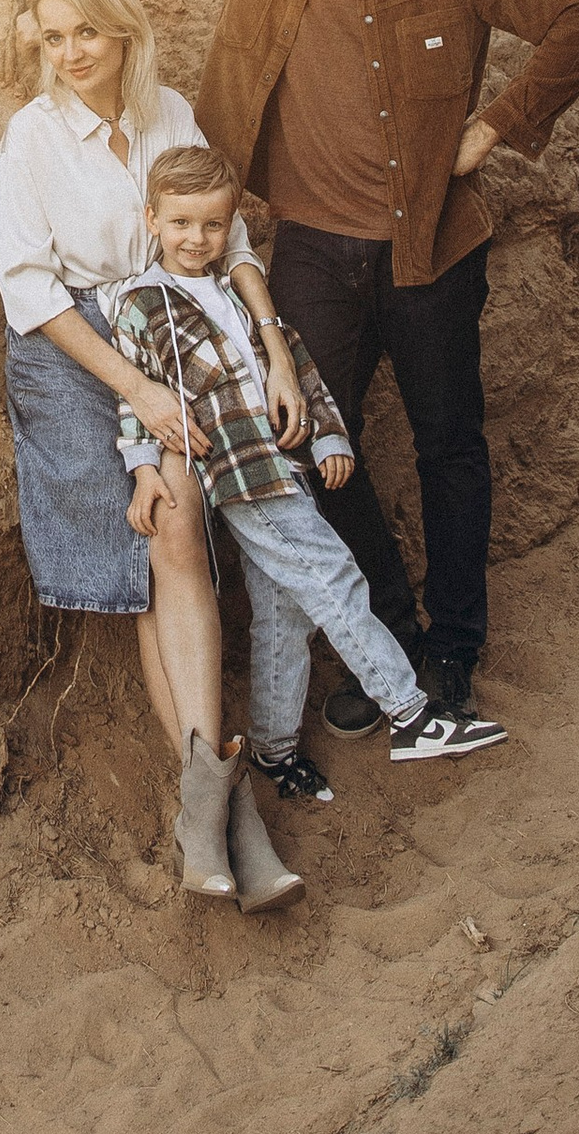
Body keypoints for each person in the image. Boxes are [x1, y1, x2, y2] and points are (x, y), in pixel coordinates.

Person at [111, 0, 579, 736]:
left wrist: (490, 129)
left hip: (431, 250)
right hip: (310, 248)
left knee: (448, 447)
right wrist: (63, 2)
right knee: (303, 441)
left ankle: (453, 652)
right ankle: (390, 634)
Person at [0, 0, 303, 903]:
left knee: (181, 529)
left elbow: (228, 238)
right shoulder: (32, 137)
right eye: (53, 37)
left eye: (87, 30)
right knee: (151, 536)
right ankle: (232, 815)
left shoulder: (168, 112)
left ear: (124, 29)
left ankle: (206, 811)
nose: (71, 53)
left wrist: (275, 348)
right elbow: (29, 289)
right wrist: (137, 388)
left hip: (173, 327)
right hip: (74, 354)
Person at [111, 149, 501, 887]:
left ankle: (275, 750)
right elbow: (133, 400)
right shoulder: (142, 304)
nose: (197, 238)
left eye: (213, 225)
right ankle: (410, 711)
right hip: (240, 475)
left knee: (284, 612)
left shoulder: (237, 291)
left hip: (284, 459)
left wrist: (326, 436)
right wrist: (141, 473)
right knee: (333, 576)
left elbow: (294, 361)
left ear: (231, 226)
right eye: (182, 224)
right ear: (153, 220)